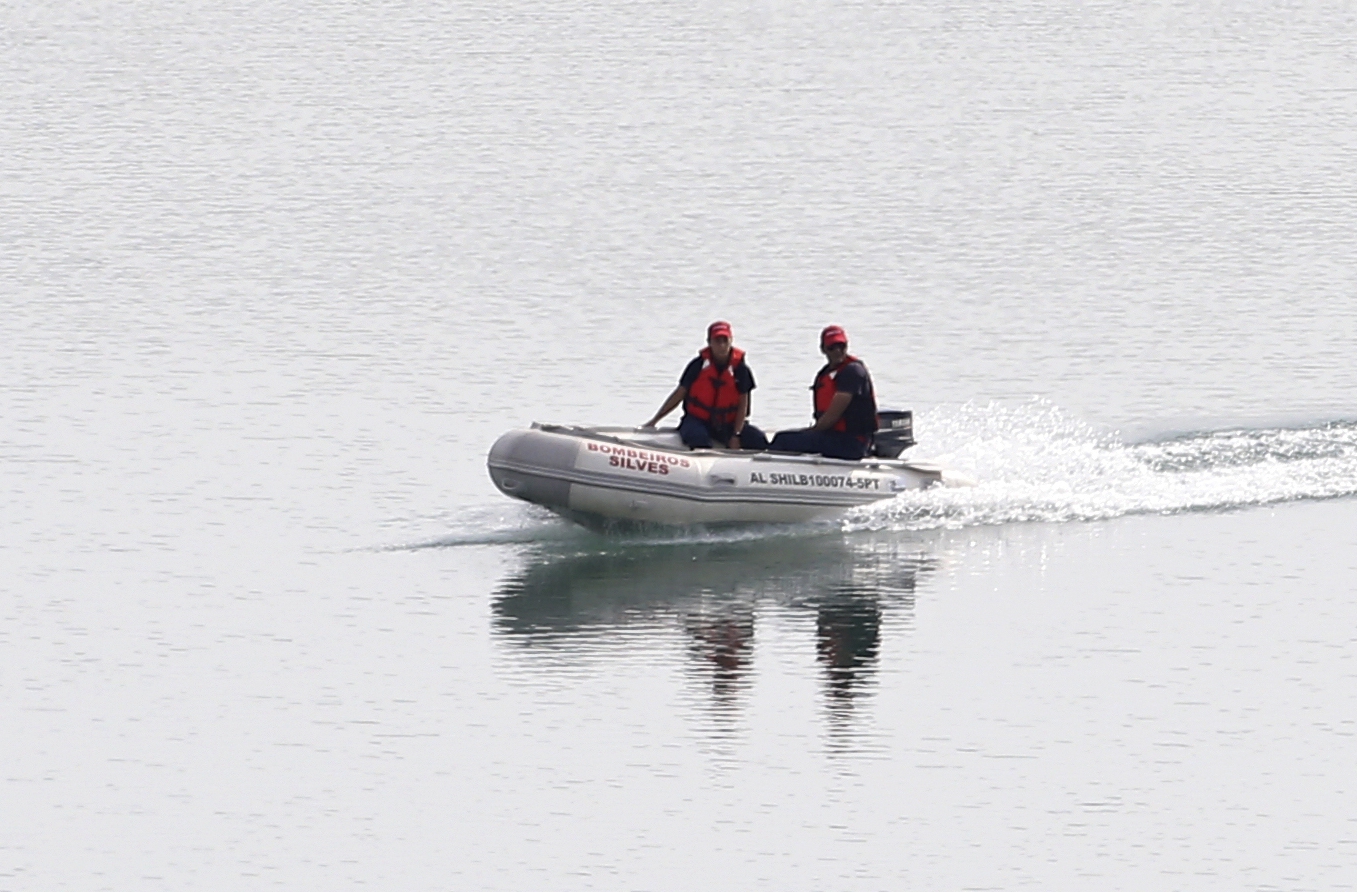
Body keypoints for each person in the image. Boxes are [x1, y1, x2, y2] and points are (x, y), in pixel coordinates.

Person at [643, 321, 769, 450]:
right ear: (709, 342)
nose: (722, 345)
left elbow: (743, 405)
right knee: (698, 438)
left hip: (728, 424)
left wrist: (736, 435)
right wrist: (655, 420)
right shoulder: (697, 365)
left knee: (758, 439)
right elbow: (679, 394)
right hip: (697, 420)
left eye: (725, 340)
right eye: (717, 341)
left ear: (731, 341)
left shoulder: (741, 370)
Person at [768, 325, 878, 460]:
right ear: (823, 349)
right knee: (784, 436)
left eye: (841, 346)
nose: (837, 351)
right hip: (836, 437)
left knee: (783, 440)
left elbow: (831, 417)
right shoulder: (827, 373)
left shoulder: (852, 372)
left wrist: (810, 432)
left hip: (852, 443)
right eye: (832, 347)